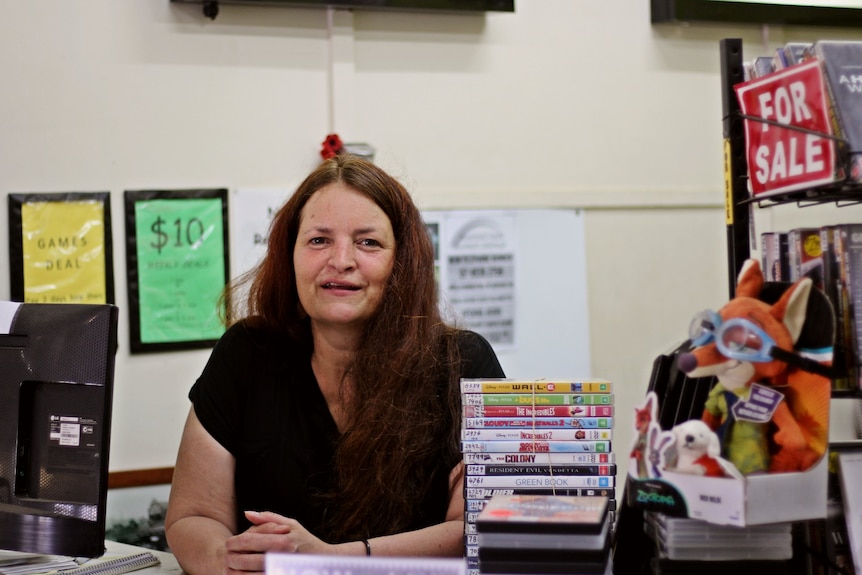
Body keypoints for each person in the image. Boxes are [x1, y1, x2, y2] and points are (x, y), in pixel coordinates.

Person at [164, 154, 505, 575]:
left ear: (403, 263)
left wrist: (328, 561)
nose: (341, 260)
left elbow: (476, 531)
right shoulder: (246, 352)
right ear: (289, 254)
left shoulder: (463, 363)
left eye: (368, 242)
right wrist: (225, 560)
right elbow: (193, 516)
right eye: (319, 240)